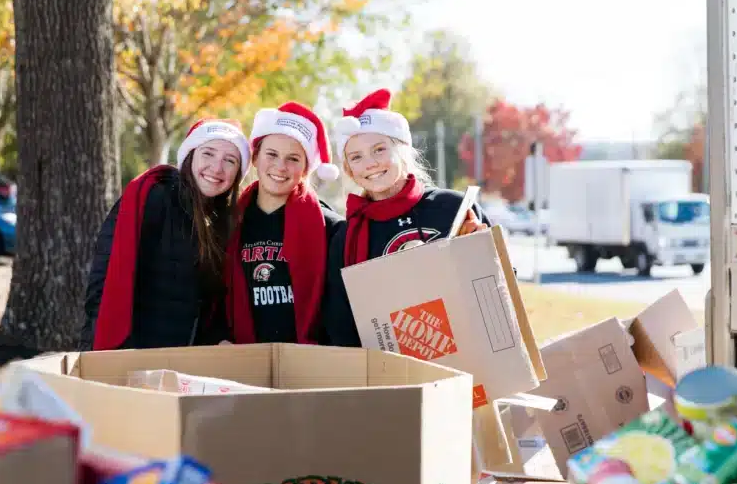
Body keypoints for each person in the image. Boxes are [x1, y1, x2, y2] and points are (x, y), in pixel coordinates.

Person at [323, 88, 491, 347]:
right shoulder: (346, 238)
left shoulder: (453, 208)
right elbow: (340, 326)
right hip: (389, 371)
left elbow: (500, 287)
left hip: (465, 356)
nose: (370, 163)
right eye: (356, 157)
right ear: (348, 169)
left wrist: (482, 253)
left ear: (402, 149)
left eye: (379, 149)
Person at [82, 118, 251, 350]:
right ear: (191, 156)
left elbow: (206, 304)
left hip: (180, 359)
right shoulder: (155, 197)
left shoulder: (223, 223)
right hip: (132, 352)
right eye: (208, 154)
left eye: (229, 160)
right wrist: (110, 351)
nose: (217, 168)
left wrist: (219, 339)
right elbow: (105, 278)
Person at [224, 102, 344, 344]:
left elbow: (339, 311)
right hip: (241, 359)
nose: (280, 167)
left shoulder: (330, 228)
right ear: (255, 158)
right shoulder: (227, 223)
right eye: (271, 154)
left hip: (306, 363)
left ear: (306, 168)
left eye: (293, 158)